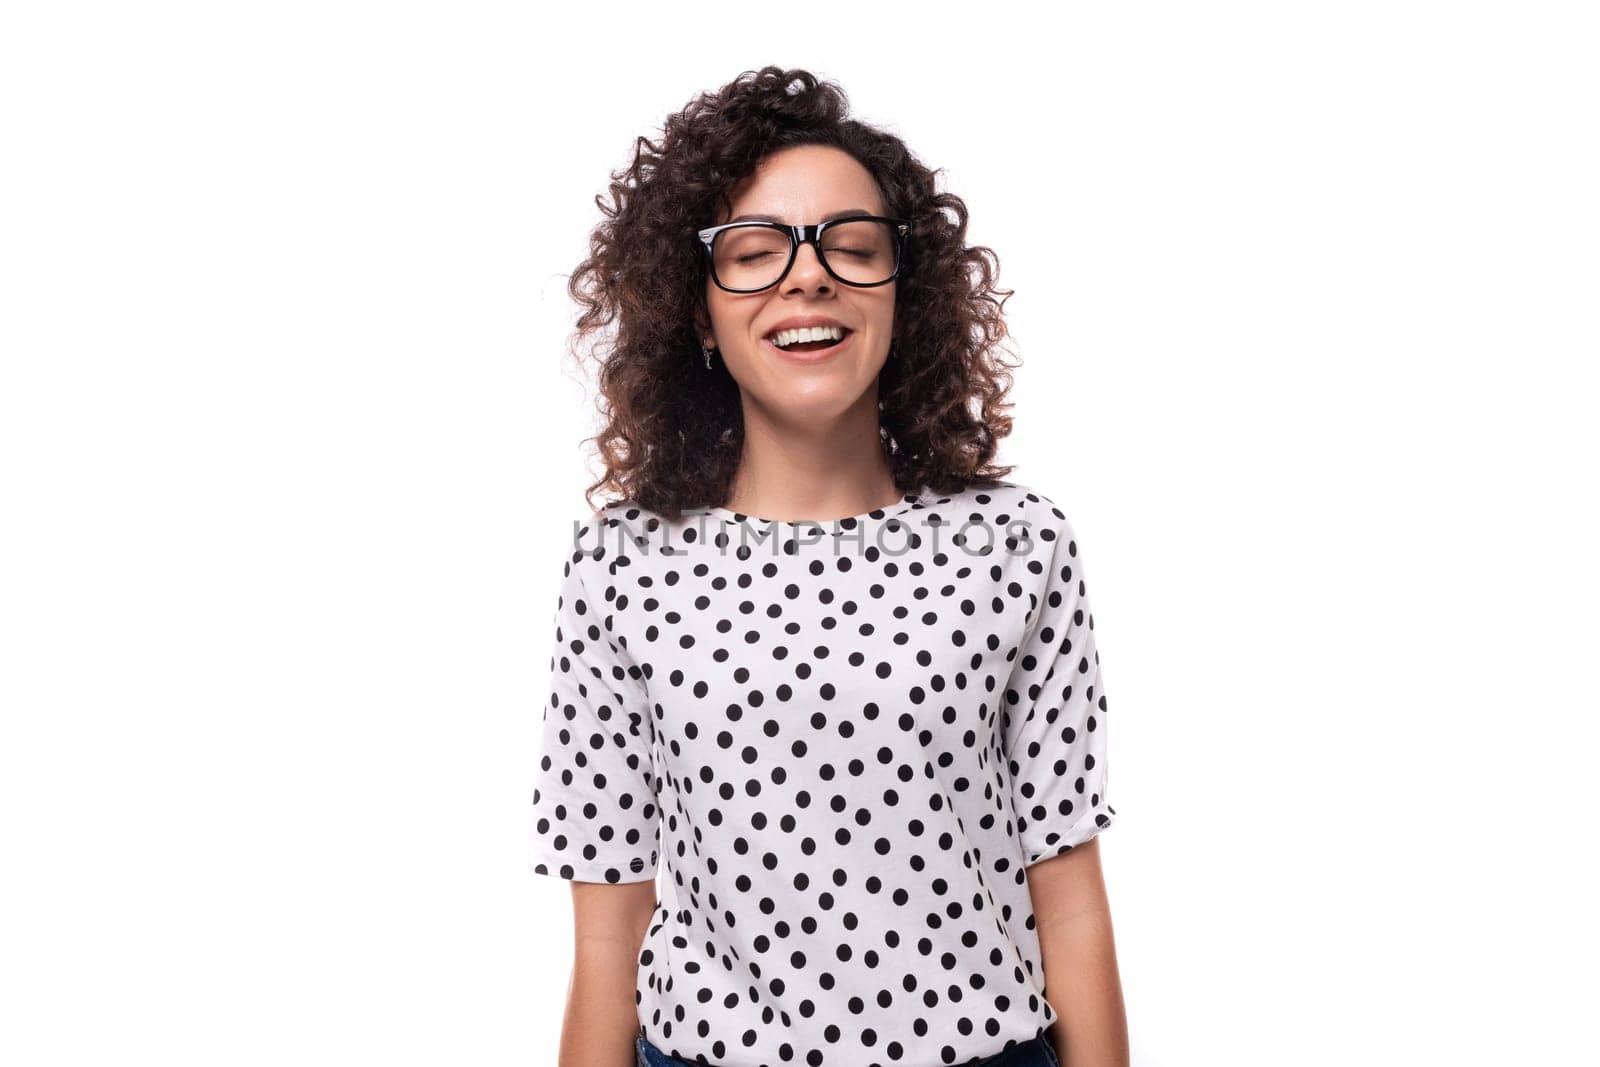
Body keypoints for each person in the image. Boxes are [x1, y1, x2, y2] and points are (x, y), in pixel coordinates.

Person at [529, 67, 1129, 1067]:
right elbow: (604, 930)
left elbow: (1067, 899)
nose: (807, 277)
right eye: (754, 253)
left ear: (905, 292)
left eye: (852, 248)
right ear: (698, 310)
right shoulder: (620, 565)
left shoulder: (1019, 545)